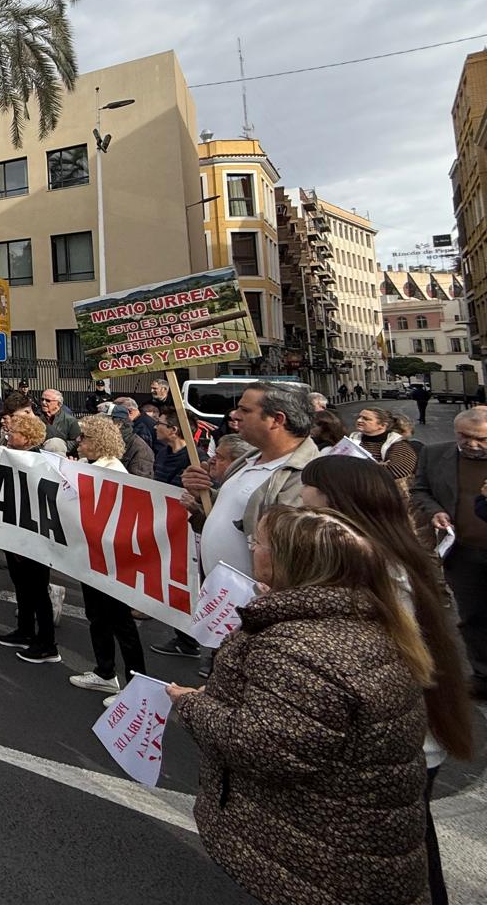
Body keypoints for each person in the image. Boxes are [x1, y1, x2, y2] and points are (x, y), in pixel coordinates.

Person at [168, 508, 434, 905]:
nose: (252, 549)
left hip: (327, 850)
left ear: (288, 561)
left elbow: (264, 746)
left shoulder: (299, 645)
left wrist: (191, 705)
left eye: (258, 543)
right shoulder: (360, 617)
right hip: (352, 841)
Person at [299, 456, 476, 903]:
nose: (302, 504)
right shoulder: (385, 553)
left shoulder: (369, 564)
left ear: (337, 503)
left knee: (398, 861)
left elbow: (358, 654)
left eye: (309, 496)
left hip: (393, 745)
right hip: (401, 739)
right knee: (407, 851)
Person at [155, 382, 319, 661]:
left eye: (245, 409)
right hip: (225, 605)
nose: (235, 415)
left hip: (258, 612)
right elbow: (227, 515)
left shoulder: (304, 474)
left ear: (277, 419)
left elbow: (291, 548)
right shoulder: (250, 459)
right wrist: (199, 501)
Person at [409, 405, 487, 700]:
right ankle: (482, 674)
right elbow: (420, 490)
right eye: (465, 436)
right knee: (473, 616)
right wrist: (435, 511)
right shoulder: (434, 453)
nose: (472, 444)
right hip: (463, 552)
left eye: (481, 438)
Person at [68, 416, 147, 693]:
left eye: (85, 438)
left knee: (121, 622)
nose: (80, 442)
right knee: (97, 615)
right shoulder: (91, 467)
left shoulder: (112, 471)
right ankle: (105, 672)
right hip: (92, 555)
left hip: (112, 559)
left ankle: (136, 686)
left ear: (99, 441)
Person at [0, 413, 57, 661]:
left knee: (37, 590)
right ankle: (25, 630)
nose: (9, 435)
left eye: (15, 432)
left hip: (32, 535)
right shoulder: (13, 456)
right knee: (21, 585)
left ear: (28, 437)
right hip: (14, 531)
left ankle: (46, 643)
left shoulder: (39, 462)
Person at [353, 406, 419, 481]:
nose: (359, 420)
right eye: (359, 417)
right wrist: (377, 465)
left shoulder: (398, 444)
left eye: (366, 419)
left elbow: (398, 470)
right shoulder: (351, 438)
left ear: (382, 425)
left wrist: (353, 467)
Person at [111, 401, 155, 477]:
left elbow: (139, 483)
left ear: (118, 424)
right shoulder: (109, 442)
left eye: (105, 423)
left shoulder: (140, 449)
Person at [152, 413, 192, 486]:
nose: (155, 427)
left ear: (173, 430)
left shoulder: (195, 459)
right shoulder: (162, 453)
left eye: (159, 423)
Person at [39, 389, 80, 454]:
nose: (43, 402)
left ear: (58, 403)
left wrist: (58, 445)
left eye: (48, 400)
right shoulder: (35, 417)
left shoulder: (70, 420)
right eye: (42, 399)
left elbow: (76, 443)